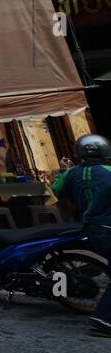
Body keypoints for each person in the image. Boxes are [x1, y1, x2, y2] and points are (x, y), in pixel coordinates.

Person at [52, 133, 111, 339]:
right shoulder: (108, 171)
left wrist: (63, 170)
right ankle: (103, 319)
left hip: (91, 227)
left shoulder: (72, 174)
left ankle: (73, 283)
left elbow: (57, 190)